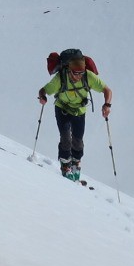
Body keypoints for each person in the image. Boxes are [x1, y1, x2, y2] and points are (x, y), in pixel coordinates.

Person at [38, 47, 112, 180]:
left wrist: (107, 105)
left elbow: (107, 90)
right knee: (66, 138)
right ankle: (65, 164)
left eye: (81, 73)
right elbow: (43, 90)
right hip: (62, 108)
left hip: (79, 110)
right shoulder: (61, 78)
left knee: (78, 140)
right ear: (69, 70)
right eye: (75, 73)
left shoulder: (88, 77)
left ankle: (76, 163)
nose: (78, 76)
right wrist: (43, 97)